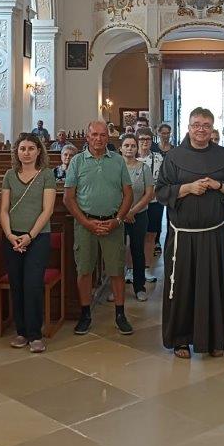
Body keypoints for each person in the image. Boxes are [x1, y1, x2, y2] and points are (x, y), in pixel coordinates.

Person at [157, 108, 224, 358]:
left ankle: (214, 339)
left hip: (214, 234)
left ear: (212, 127)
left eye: (206, 125)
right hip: (182, 235)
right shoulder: (173, 157)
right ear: (188, 127)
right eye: (196, 124)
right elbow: (161, 191)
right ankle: (180, 339)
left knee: (214, 286)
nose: (201, 129)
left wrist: (219, 185)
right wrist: (186, 188)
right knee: (182, 287)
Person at [63, 120, 133, 336]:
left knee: (116, 270)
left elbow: (128, 194)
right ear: (87, 136)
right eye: (94, 134)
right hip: (86, 224)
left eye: (103, 135)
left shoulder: (118, 161)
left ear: (107, 137)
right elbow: (68, 198)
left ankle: (120, 314)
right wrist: (86, 222)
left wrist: (118, 220)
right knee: (84, 270)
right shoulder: (76, 162)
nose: (99, 138)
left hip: (113, 223)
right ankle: (85, 314)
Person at [0, 133, 57, 353]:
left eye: (31, 148)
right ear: (17, 152)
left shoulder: (46, 175)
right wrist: (10, 235)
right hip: (13, 237)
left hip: (38, 237)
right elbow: (3, 209)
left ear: (39, 151)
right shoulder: (9, 175)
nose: (26, 152)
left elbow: (48, 209)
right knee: (17, 284)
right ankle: (21, 331)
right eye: (22, 148)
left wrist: (30, 236)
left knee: (32, 284)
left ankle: (35, 334)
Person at [120, 134, 154, 300]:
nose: (129, 148)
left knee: (137, 250)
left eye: (133, 145)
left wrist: (132, 211)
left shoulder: (144, 168)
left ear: (136, 148)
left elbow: (149, 194)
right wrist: (124, 213)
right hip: (119, 215)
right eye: (126, 145)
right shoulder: (115, 167)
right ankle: (116, 288)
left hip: (139, 215)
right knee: (117, 252)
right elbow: (112, 191)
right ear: (121, 148)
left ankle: (139, 287)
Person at [137, 129, 163, 282]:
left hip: (153, 202)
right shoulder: (130, 156)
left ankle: (146, 268)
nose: (145, 142)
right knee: (132, 237)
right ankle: (131, 269)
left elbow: (162, 179)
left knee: (150, 235)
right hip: (133, 203)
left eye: (147, 138)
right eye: (141, 139)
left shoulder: (158, 158)